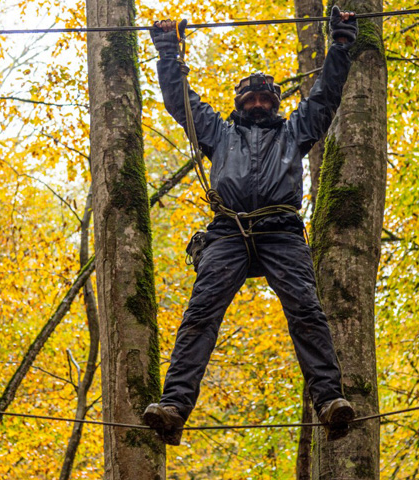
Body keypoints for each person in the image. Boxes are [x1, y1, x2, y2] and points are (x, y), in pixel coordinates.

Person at [144, 7, 359, 446]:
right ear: (240, 104)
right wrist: (168, 50)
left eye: (265, 99)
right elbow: (179, 100)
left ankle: (329, 401)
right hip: (228, 231)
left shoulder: (294, 131)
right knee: (201, 312)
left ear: (274, 103)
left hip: (281, 229)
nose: (258, 104)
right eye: (250, 99)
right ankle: (174, 408)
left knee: (306, 309)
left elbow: (325, 96)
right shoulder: (218, 133)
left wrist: (341, 43)